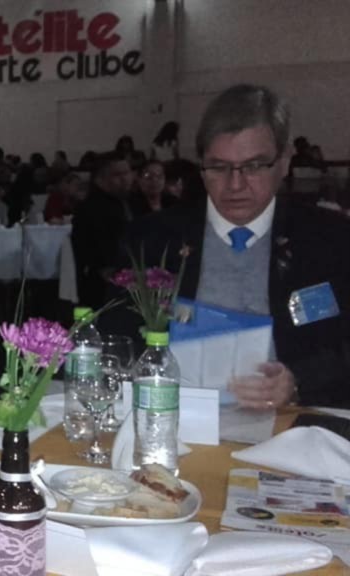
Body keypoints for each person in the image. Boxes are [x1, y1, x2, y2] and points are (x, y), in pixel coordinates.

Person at [129, 84, 350, 408]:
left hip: (293, 423)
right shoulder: (152, 238)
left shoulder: (330, 239)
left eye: (254, 166)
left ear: (284, 161)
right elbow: (118, 341)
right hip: (174, 419)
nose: (235, 184)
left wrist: (299, 381)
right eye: (218, 167)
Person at [71, 151, 135, 307]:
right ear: (100, 179)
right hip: (104, 285)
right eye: (117, 175)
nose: (125, 178)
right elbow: (95, 251)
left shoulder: (129, 202)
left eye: (127, 173)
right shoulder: (91, 209)